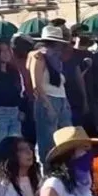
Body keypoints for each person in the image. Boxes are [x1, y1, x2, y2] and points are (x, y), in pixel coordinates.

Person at [28, 25, 73, 165]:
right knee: (48, 141)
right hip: (47, 99)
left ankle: (63, 168)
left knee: (67, 138)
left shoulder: (56, 60)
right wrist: (48, 106)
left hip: (61, 99)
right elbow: (37, 85)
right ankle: (47, 171)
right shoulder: (38, 56)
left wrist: (65, 103)